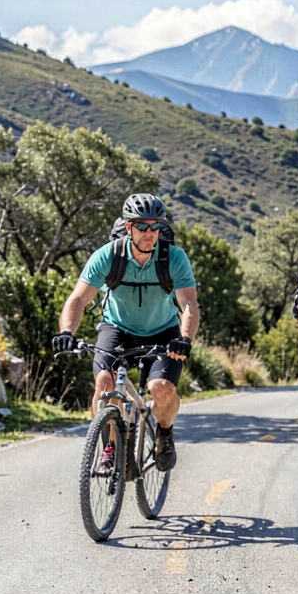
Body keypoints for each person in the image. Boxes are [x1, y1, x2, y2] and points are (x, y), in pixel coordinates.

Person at [53, 193, 199, 472]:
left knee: (162, 389)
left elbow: (189, 303)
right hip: (117, 328)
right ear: (128, 226)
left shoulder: (174, 258)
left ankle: (164, 431)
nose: (149, 233)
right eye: (142, 226)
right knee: (105, 383)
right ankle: (109, 445)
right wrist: (67, 331)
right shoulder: (109, 256)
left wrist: (185, 339)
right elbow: (77, 299)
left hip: (163, 331)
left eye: (155, 226)